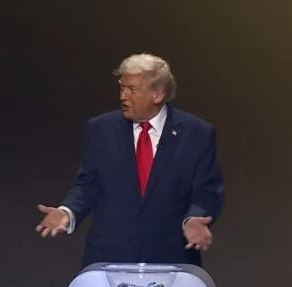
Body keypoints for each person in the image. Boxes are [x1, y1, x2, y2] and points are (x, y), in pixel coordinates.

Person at [36, 53, 224, 267]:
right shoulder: (101, 129)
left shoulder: (196, 134)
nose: (123, 96)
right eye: (122, 88)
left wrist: (194, 219)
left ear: (158, 94)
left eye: (132, 90)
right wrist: (67, 212)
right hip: (108, 257)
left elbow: (207, 190)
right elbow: (87, 184)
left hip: (170, 259)